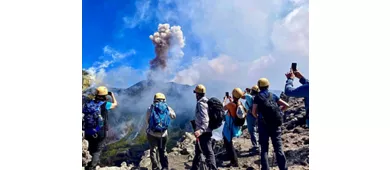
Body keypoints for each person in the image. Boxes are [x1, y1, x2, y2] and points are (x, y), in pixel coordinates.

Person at [252, 78, 289, 170]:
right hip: (275, 125)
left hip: (263, 125)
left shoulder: (257, 97)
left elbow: (253, 112)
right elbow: (286, 105)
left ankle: (265, 168)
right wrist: (279, 111)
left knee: (264, 148)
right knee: (278, 148)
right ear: (268, 86)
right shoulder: (273, 95)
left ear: (259, 87)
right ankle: (283, 168)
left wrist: (258, 117)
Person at [83, 86, 118, 170]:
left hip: (88, 130)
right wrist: (112, 95)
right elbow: (115, 104)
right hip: (100, 131)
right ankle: (92, 167)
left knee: (90, 148)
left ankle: (87, 165)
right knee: (97, 150)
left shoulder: (88, 103)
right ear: (105, 96)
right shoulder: (105, 104)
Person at [145, 93, 176, 170]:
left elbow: (147, 120)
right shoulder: (167, 108)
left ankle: (155, 168)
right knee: (163, 150)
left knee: (153, 151)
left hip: (152, 133)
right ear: (164, 100)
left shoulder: (151, 108)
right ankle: (165, 167)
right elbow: (174, 116)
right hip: (163, 134)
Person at [191, 84, 217, 170]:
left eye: (196, 93)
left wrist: (200, 130)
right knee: (198, 151)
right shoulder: (207, 101)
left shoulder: (201, 103)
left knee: (209, 152)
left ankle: (213, 168)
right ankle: (194, 168)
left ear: (197, 94)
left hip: (204, 132)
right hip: (206, 130)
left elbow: (205, 119)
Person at [222, 87, 245, 167]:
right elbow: (234, 106)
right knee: (229, 142)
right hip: (235, 125)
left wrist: (224, 100)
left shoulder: (231, 104)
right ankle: (232, 159)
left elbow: (223, 108)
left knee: (228, 143)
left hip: (229, 126)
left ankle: (234, 162)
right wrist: (230, 100)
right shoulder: (239, 103)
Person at [241, 85, 260, 152]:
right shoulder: (257, 97)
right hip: (256, 114)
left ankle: (256, 146)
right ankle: (257, 145)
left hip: (250, 114)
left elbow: (241, 96)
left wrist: (245, 92)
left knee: (252, 130)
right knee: (255, 129)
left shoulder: (249, 96)